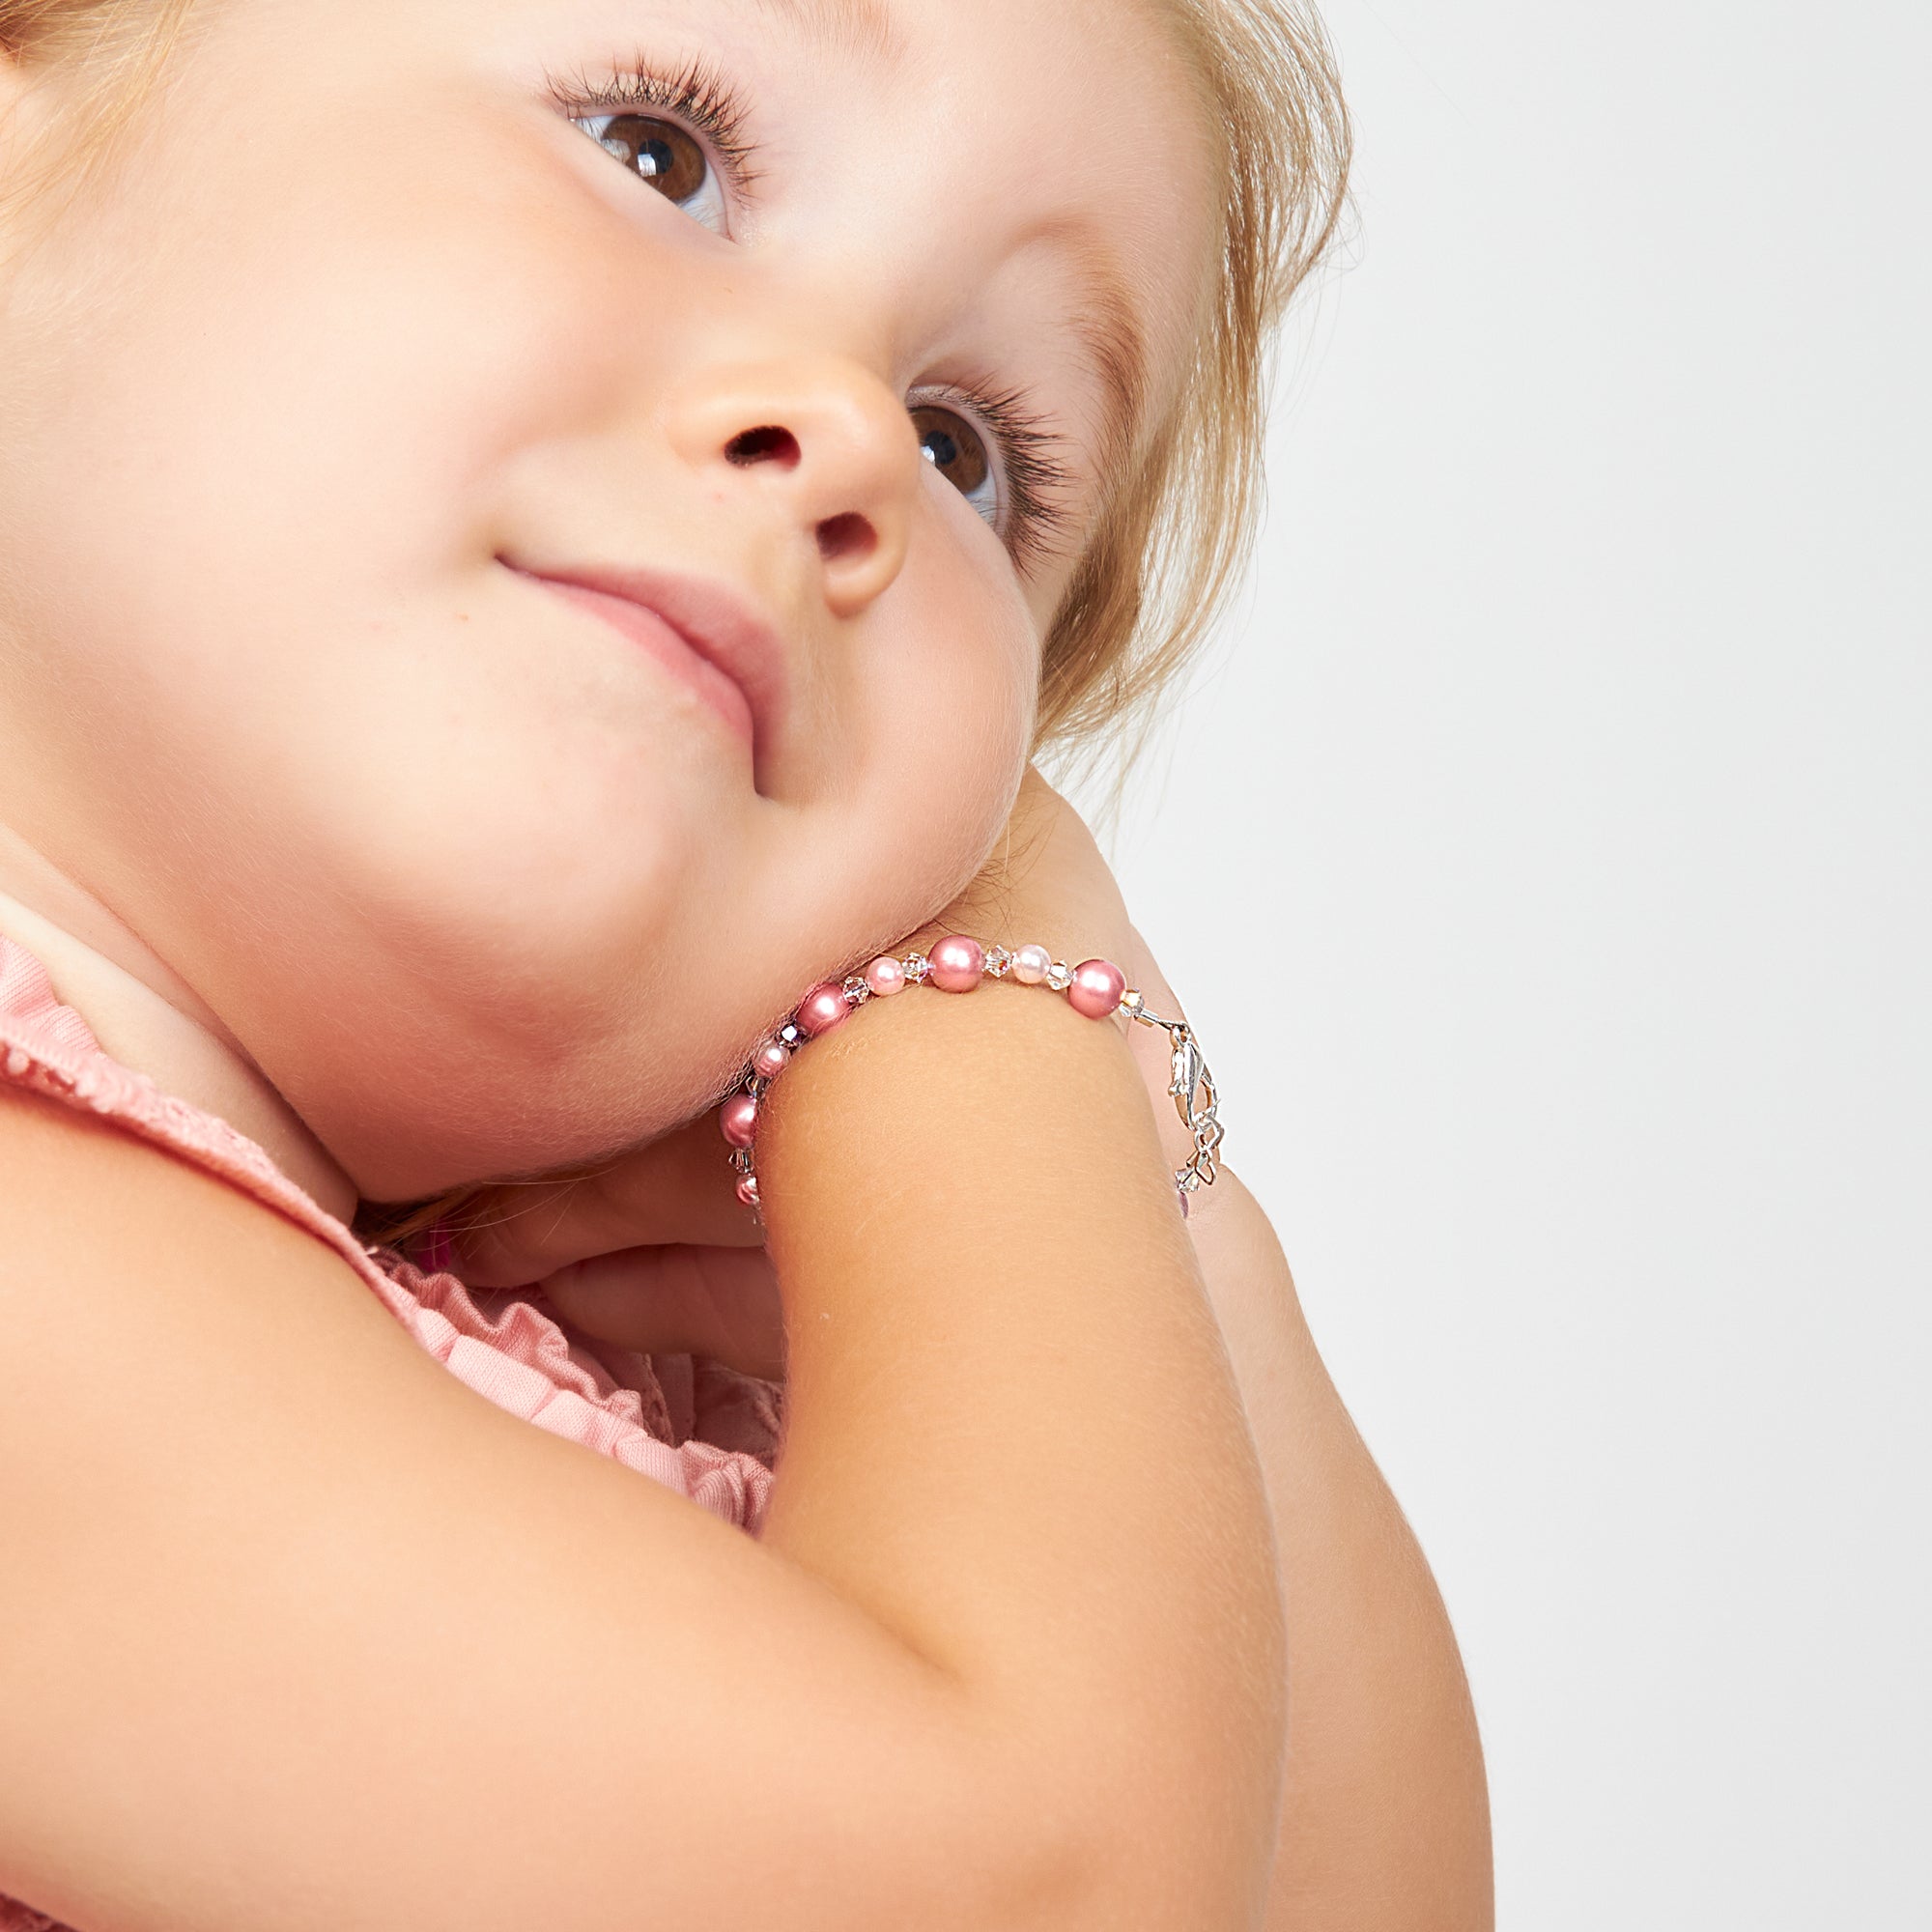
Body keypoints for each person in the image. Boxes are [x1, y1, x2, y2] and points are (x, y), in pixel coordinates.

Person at [0, 0, 1492, 1924]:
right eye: (655, 149)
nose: (853, 433)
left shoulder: (758, 1461)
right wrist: (992, 1009)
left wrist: (1170, 1209)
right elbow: (1040, 1883)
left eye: (975, 457)